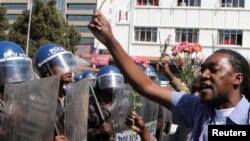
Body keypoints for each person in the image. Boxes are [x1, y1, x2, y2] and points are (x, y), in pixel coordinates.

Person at [88, 10, 250, 141]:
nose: (204, 75)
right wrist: (109, 41)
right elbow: (147, 86)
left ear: (237, 78)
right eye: (203, 70)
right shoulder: (198, 108)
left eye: (214, 70)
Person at [34, 43, 80, 141]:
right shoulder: (37, 102)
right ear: (45, 70)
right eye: (60, 64)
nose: (68, 69)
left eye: (67, 64)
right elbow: (28, 134)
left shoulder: (70, 97)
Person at [0, 41, 34, 138]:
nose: (16, 75)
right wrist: (8, 124)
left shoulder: (23, 101)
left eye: (20, 70)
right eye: (9, 71)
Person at [88, 65, 125, 141]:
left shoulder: (122, 103)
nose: (112, 86)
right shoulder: (89, 104)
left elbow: (126, 128)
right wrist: (98, 131)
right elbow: (80, 131)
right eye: (108, 82)